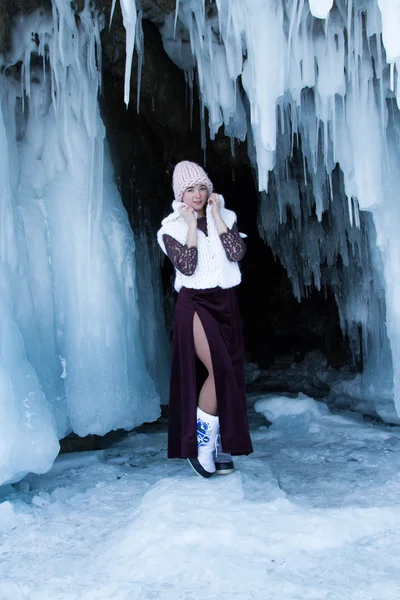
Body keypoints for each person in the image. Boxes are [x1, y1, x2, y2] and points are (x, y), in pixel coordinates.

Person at [157, 160, 253, 478]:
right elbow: (186, 265)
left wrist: (215, 218)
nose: (197, 195)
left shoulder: (225, 216)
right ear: (180, 195)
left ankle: (210, 445)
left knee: (228, 372)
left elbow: (237, 252)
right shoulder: (170, 229)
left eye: (201, 187)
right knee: (217, 368)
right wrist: (190, 228)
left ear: (209, 190)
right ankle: (201, 445)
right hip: (195, 304)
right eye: (189, 189)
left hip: (226, 302)